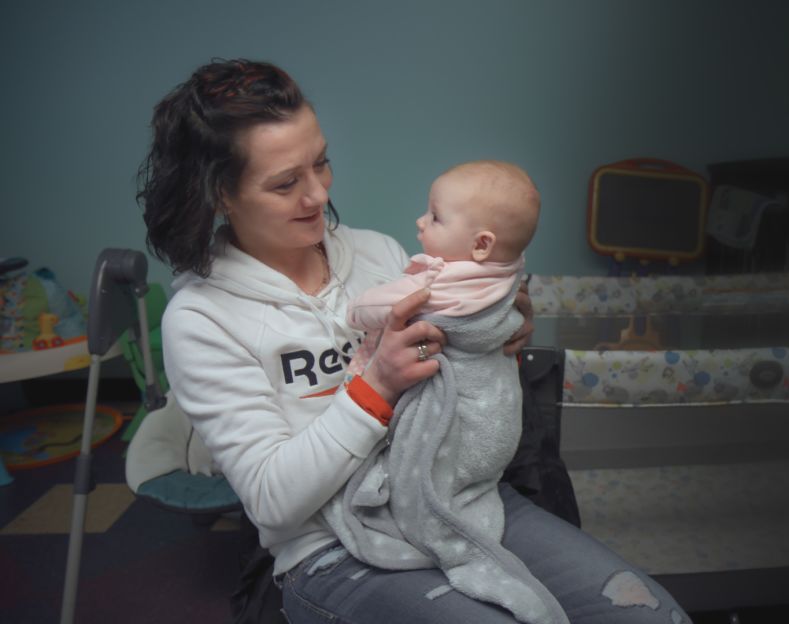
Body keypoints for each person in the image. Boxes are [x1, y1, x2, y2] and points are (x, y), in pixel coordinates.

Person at [139, 58, 691, 624]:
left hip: (459, 505)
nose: (317, 194)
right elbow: (274, 506)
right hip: (330, 548)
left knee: (650, 615)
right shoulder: (202, 318)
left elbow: (458, 348)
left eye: (321, 163)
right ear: (220, 196)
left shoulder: (379, 254)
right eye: (285, 183)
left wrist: (499, 327)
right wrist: (374, 387)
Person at [325, 160, 564, 623]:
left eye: (434, 217)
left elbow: (373, 308)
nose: (420, 222)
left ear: (480, 244)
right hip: (494, 423)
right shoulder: (509, 270)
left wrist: (355, 311)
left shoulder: (435, 286)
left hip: (465, 405)